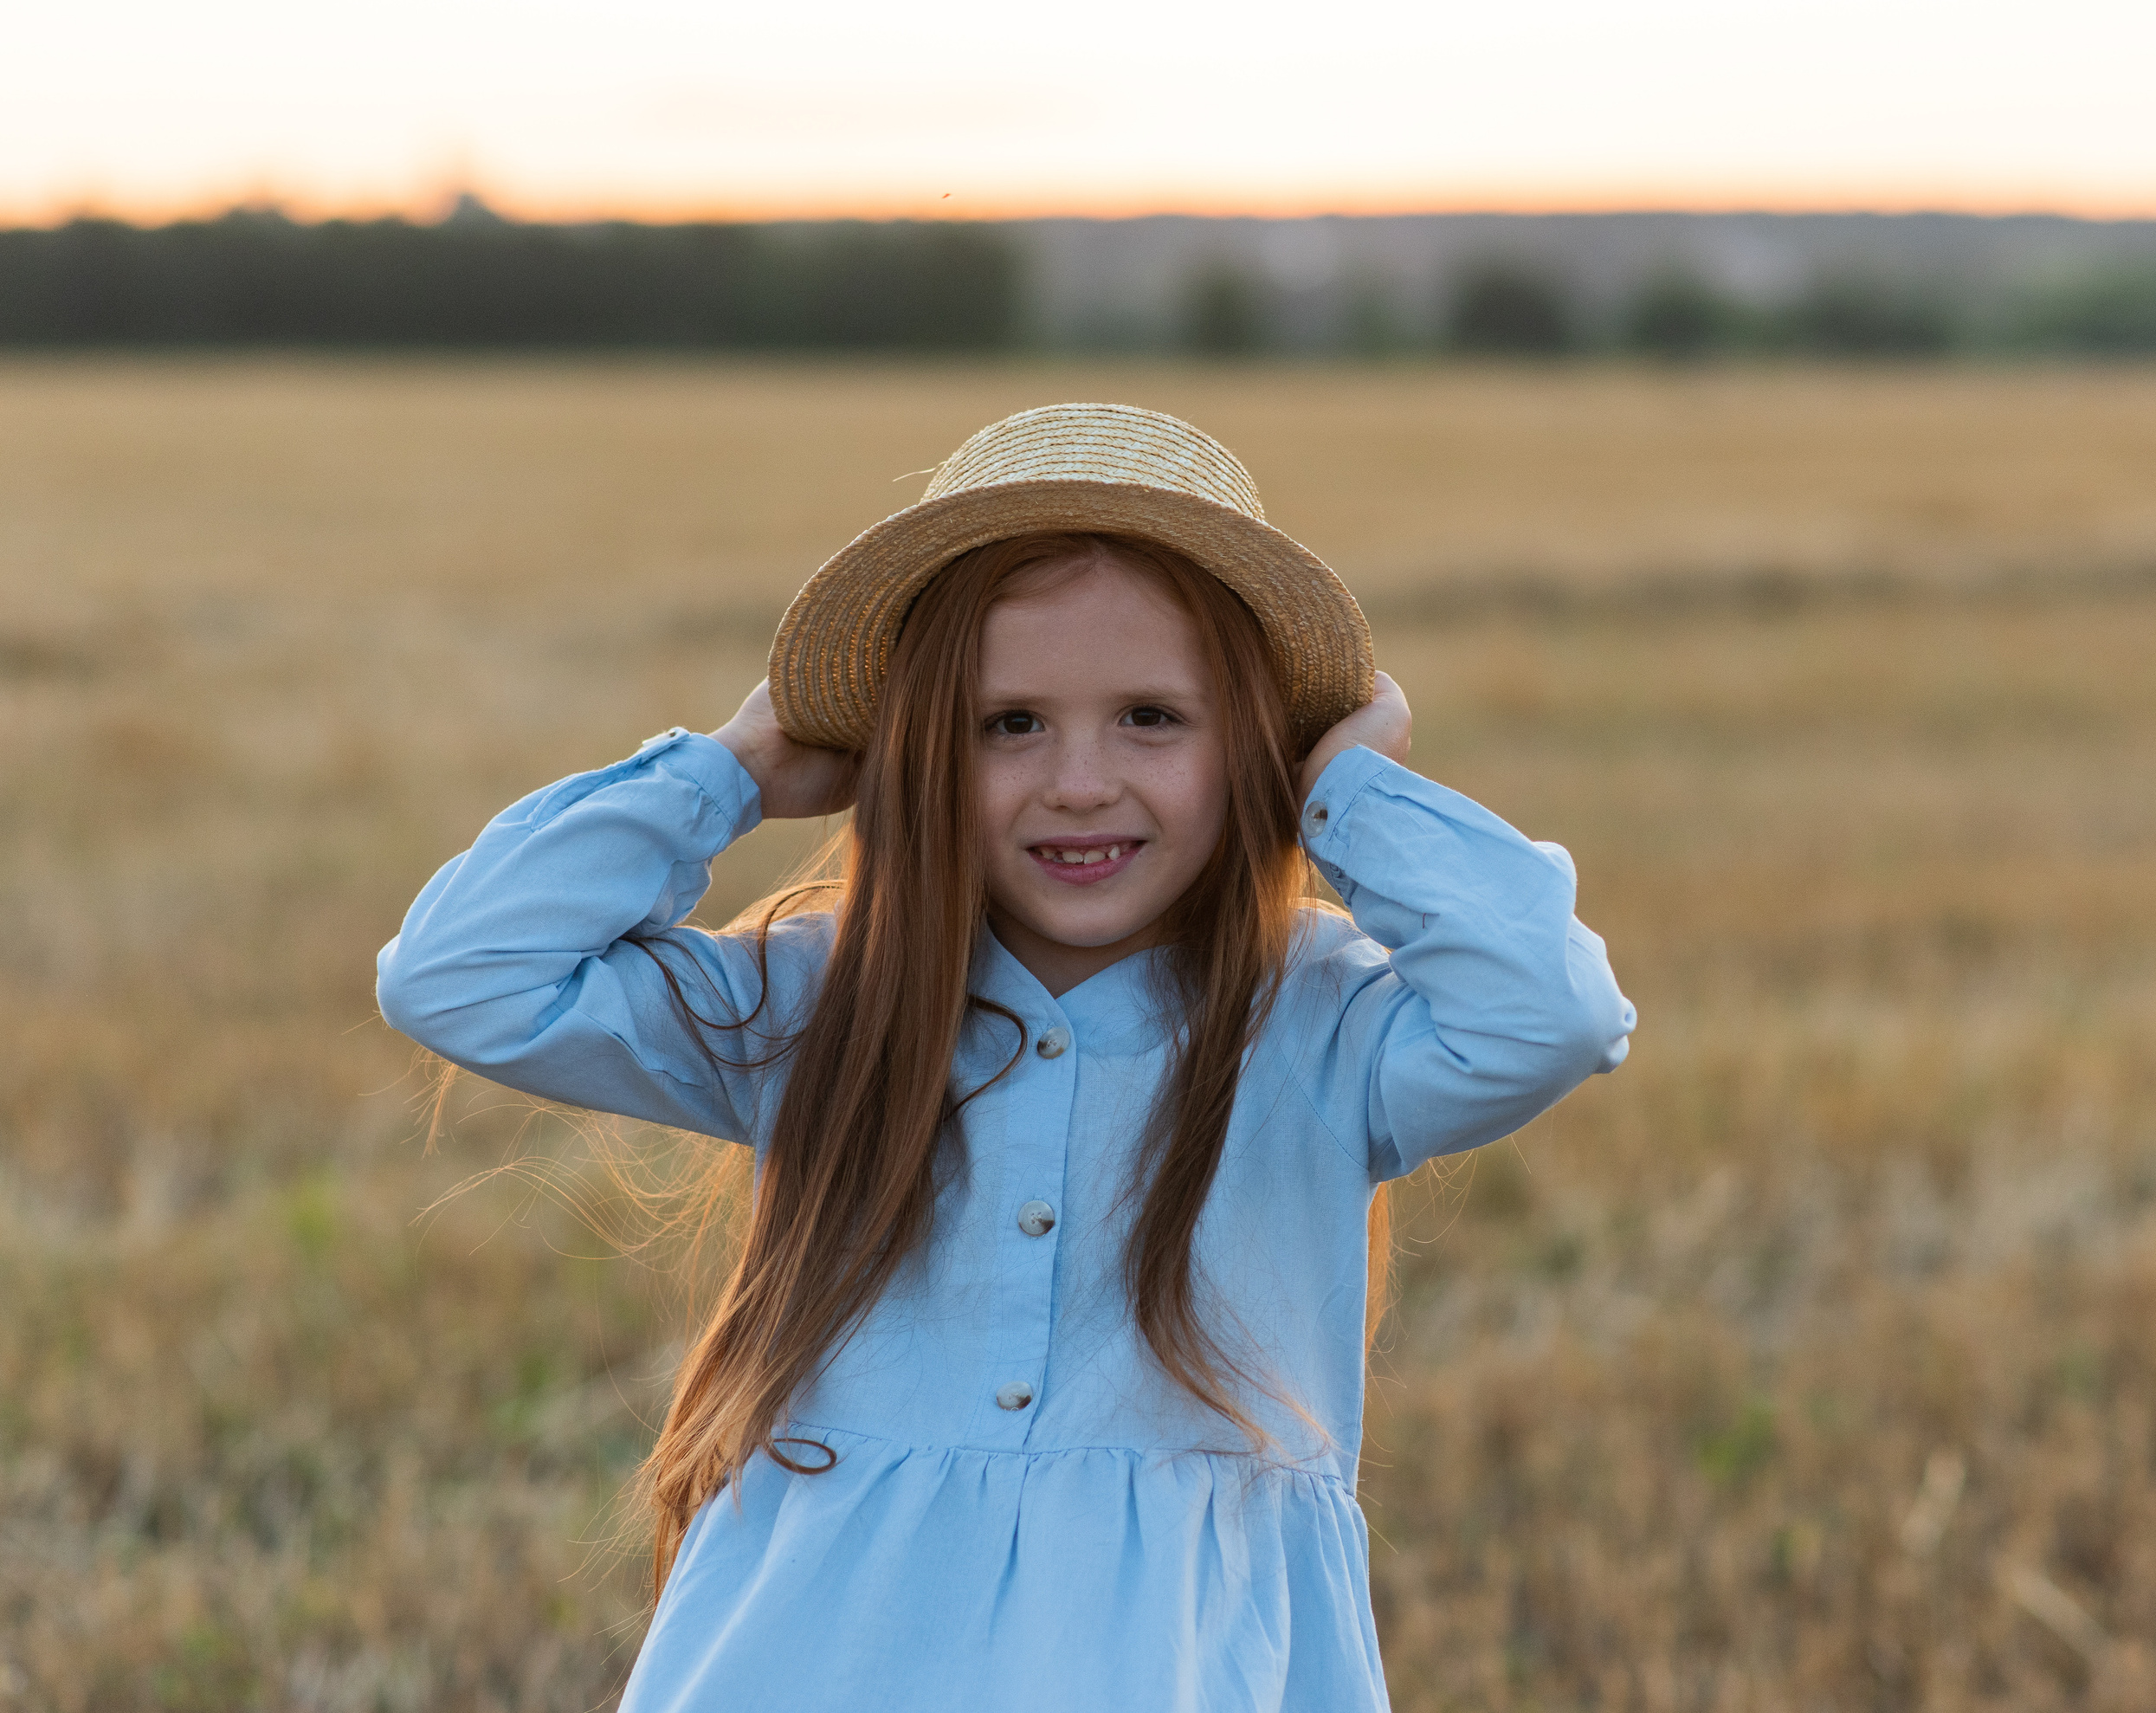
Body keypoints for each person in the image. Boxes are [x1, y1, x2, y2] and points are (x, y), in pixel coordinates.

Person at [376, 402, 1634, 1711]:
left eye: (1151, 717)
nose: (1079, 781)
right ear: (921, 749)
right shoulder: (831, 1000)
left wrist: (1354, 798)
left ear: (1252, 749)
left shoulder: (1316, 1021)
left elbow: (1556, 1013)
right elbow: (460, 973)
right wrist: (733, 770)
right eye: (1008, 724)